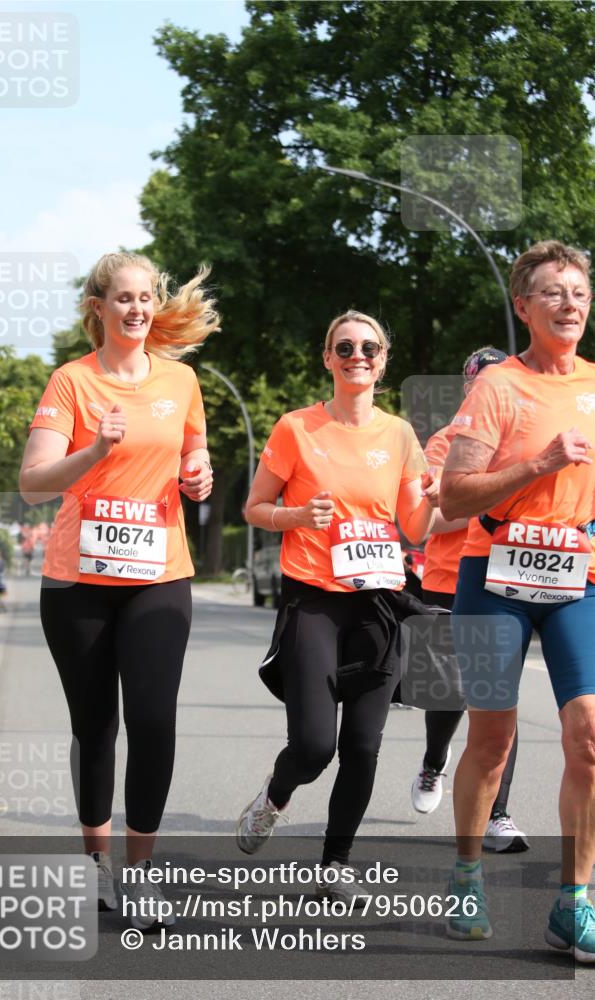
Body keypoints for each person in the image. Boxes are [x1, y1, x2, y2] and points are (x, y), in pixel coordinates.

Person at [19, 251, 218, 923]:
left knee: (154, 721)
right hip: (78, 582)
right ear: (97, 308)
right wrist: (95, 451)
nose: (136, 309)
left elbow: (193, 448)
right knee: (96, 726)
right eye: (122, 298)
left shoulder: (182, 380)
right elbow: (33, 482)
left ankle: (139, 873)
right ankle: (96, 865)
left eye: (145, 298)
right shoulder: (71, 382)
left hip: (159, 575)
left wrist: (198, 472)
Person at [235, 309, 438, 902]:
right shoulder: (297, 428)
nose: (358, 355)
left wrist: (435, 496)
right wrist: (295, 517)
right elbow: (254, 507)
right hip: (314, 599)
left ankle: (336, 862)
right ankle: (275, 795)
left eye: (369, 347)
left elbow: (416, 525)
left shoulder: (400, 434)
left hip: (376, 601)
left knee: (364, 746)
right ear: (327, 357)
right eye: (344, 346)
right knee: (316, 745)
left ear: (383, 359)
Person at [439, 240, 595, 958]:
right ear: (522, 306)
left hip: (575, 579)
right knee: (491, 740)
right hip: (489, 575)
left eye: (577, 291)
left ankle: (573, 902)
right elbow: (454, 493)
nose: (568, 303)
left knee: (587, 737)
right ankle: (467, 874)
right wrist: (539, 461)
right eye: (552, 293)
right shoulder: (497, 386)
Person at [410, 347, 529, 854]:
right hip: (446, 578)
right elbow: (434, 519)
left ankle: (498, 814)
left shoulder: (528, 441)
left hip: (506, 580)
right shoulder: (444, 443)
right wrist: (490, 501)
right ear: (469, 389)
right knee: (448, 692)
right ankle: (435, 761)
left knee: (498, 698)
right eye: (482, 381)